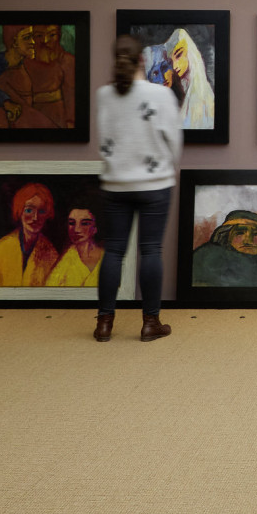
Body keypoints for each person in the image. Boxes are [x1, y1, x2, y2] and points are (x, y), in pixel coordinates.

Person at [93, 34, 182, 342]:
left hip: (115, 183)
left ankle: (104, 323)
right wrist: (162, 164)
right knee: (151, 250)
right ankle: (150, 323)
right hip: (155, 184)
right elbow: (174, 142)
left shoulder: (104, 95)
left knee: (114, 251)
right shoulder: (161, 96)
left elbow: (104, 139)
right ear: (143, 60)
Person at [0, 182, 56, 287]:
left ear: (48, 214)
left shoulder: (51, 255)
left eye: (41, 211)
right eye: (29, 210)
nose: (35, 217)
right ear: (19, 211)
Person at [187, 209, 257, 288]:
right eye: (240, 233)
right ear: (226, 235)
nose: (248, 240)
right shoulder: (205, 257)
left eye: (256, 234)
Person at [146, 27, 215, 130]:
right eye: (171, 61)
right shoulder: (173, 91)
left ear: (190, 52)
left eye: (178, 55)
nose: (174, 66)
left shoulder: (208, 98)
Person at [46, 207, 104, 287]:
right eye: (72, 223)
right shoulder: (66, 259)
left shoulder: (107, 257)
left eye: (84, 223)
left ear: (95, 228)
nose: (76, 229)